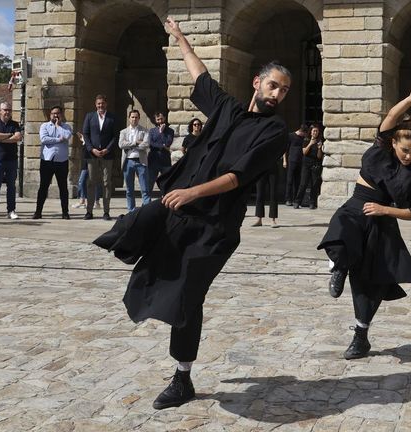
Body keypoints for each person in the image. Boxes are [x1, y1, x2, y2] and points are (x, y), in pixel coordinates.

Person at [93, 17, 291, 410]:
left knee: (187, 296)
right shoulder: (226, 108)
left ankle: (182, 377)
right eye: (273, 85)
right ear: (257, 82)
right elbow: (200, 74)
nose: (277, 94)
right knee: (130, 227)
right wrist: (180, 38)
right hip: (176, 207)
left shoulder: (274, 133)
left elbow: (237, 177)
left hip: (214, 226)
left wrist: (192, 193)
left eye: (284, 91)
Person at [317, 84, 411, 361]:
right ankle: (339, 268)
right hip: (356, 207)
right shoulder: (380, 149)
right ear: (393, 143)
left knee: (371, 283)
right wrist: (410, 99)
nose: (409, 155)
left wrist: (385, 210)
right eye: (405, 149)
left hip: (383, 221)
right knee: (341, 230)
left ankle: (361, 337)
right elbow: (391, 117)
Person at [33, 106, 73, 219]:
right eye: (53, 113)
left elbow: (67, 136)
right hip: (47, 160)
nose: (55, 115)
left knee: (63, 188)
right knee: (43, 187)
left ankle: (65, 212)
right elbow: (44, 139)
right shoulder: (44, 126)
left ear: (61, 114)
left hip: (62, 161)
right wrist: (58, 140)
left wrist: (58, 126)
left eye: (58, 113)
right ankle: (38, 212)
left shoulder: (66, 127)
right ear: (50, 114)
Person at [0, 102, 22, 220]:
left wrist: (2, 139)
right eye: (5, 110)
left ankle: (11, 210)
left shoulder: (15, 124)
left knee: (11, 186)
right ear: (0, 111)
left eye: (9, 110)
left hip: (12, 160)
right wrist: (9, 135)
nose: (7, 112)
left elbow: (18, 137)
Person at [119, 109, 151, 213]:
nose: (134, 119)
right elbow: (121, 144)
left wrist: (130, 145)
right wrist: (135, 143)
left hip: (141, 161)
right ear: (129, 118)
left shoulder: (145, 131)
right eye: (132, 117)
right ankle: (131, 211)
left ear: (139, 118)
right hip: (128, 161)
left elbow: (146, 144)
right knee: (129, 189)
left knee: (145, 189)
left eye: (136, 117)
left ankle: (147, 212)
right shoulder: (123, 132)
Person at [293, 123, 325, 209]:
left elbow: (319, 156)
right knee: (303, 184)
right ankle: (297, 202)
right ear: (310, 132)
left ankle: (312, 203)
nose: (315, 133)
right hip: (306, 165)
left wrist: (319, 148)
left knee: (314, 185)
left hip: (315, 165)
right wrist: (310, 144)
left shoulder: (320, 141)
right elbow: (304, 152)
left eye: (316, 131)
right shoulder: (306, 140)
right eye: (314, 131)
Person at [251, 156, 282, 228]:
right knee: (260, 194)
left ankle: (273, 220)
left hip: (273, 165)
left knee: (273, 194)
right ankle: (259, 219)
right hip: (261, 167)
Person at [147, 111, 175, 194]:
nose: (160, 121)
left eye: (161, 119)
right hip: (153, 159)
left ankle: (166, 198)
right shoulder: (152, 131)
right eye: (158, 119)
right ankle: (147, 200)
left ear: (164, 118)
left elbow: (168, 143)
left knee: (167, 181)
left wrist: (162, 133)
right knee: (150, 182)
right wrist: (162, 145)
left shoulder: (170, 131)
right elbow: (150, 143)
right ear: (155, 120)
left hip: (165, 160)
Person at [284, 124, 307, 205]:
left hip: (300, 161)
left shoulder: (303, 138)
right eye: (304, 133)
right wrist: (284, 161)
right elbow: (285, 149)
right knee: (289, 180)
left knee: (297, 181)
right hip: (291, 160)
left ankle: (295, 199)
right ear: (301, 131)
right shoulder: (291, 136)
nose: (304, 135)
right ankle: (288, 199)